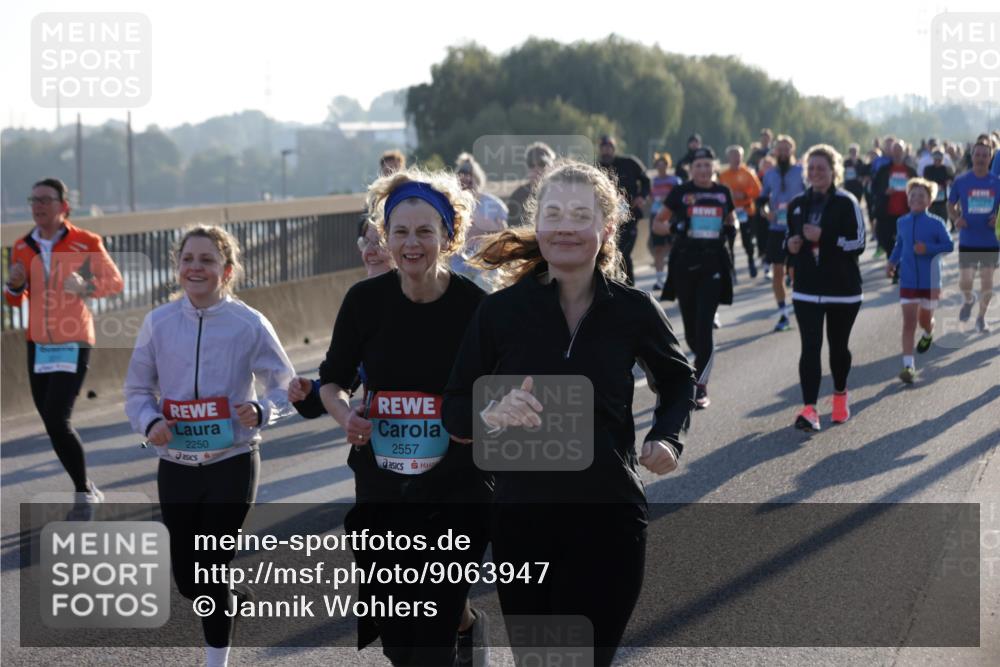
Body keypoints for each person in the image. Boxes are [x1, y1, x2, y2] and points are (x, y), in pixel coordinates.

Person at [443, 159, 695, 667]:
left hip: (608, 520)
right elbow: (455, 409)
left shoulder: (633, 310)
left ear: (606, 230)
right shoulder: (499, 313)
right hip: (522, 524)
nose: (564, 226)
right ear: (538, 225)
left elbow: (677, 380)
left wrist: (667, 437)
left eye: (580, 215)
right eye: (553, 213)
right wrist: (491, 412)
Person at [317, 168, 493, 667]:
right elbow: (332, 381)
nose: (411, 243)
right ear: (385, 236)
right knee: (399, 642)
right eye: (400, 232)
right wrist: (343, 416)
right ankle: (467, 624)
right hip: (383, 488)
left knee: (428, 642)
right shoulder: (364, 302)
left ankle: (455, 624)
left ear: (448, 235)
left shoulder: (475, 308)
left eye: (424, 231)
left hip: (456, 489)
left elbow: (497, 397)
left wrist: (473, 423)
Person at [124, 225, 295, 667]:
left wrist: (262, 412)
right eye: (188, 259)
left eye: (207, 260)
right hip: (176, 463)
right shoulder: (158, 323)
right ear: (177, 267)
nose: (195, 268)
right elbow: (137, 390)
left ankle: (215, 659)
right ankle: (230, 599)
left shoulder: (249, 324)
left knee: (210, 565)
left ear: (227, 270)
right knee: (187, 579)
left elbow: (286, 386)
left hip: (232, 460)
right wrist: (150, 421)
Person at [5, 177, 124, 505]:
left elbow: (115, 282)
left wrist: (85, 286)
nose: (38, 206)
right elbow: (15, 299)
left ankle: (84, 491)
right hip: (38, 342)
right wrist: (14, 285)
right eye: (34, 200)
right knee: (50, 419)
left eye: (46, 200)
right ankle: (84, 483)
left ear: (63, 207)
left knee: (58, 418)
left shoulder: (85, 241)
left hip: (74, 338)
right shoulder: (21, 246)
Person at [785, 144, 865, 432]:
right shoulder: (797, 204)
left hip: (843, 289)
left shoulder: (847, 202)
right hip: (806, 288)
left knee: (838, 348)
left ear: (834, 171)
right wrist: (791, 245)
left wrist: (825, 236)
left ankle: (840, 394)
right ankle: (809, 409)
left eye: (822, 168)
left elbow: (858, 243)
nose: (816, 173)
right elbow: (788, 239)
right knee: (810, 347)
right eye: (812, 168)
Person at [655, 146, 737, 409]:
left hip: (712, 263)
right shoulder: (680, 192)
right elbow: (658, 223)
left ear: (715, 167)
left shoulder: (722, 192)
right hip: (685, 264)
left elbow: (734, 220)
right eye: (698, 165)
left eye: (707, 165)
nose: (703, 170)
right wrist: (673, 226)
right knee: (691, 329)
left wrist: (730, 228)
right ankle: (697, 363)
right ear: (692, 169)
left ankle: (700, 386)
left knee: (704, 326)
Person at [887, 178, 954, 383]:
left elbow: (948, 246)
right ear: (908, 199)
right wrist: (891, 262)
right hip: (907, 280)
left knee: (924, 320)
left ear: (929, 201)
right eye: (912, 195)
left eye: (921, 196)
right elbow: (899, 245)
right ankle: (909, 366)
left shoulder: (936, 223)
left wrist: (928, 249)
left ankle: (929, 331)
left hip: (931, 281)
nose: (916, 198)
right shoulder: (902, 222)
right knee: (909, 323)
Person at [948, 140, 1000, 333]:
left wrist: (998, 219)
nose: (981, 158)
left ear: (990, 158)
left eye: (985, 155)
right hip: (968, 238)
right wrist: (956, 218)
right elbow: (950, 204)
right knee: (965, 282)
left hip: (990, 240)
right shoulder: (962, 181)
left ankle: (981, 318)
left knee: (987, 282)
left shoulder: (997, 183)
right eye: (978, 155)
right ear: (972, 155)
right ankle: (969, 300)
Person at [759, 135, 805, 331]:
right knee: (777, 272)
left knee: (795, 272)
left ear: (792, 151)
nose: (783, 152)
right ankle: (783, 313)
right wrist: (765, 212)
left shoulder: (801, 172)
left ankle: (801, 305)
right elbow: (761, 198)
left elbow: (810, 196)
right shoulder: (770, 174)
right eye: (780, 149)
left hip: (796, 228)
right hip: (776, 228)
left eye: (787, 149)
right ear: (775, 151)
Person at [596, 135, 650, 286]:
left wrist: (641, 196)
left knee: (624, 254)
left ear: (614, 148)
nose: (606, 151)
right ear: (600, 150)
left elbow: (646, 180)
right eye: (603, 148)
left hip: (629, 216)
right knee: (606, 254)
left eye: (609, 147)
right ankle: (611, 286)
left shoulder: (630, 163)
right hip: (605, 219)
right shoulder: (595, 167)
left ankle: (630, 289)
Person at [453, 152, 509, 290]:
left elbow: (504, 234)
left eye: (470, 181)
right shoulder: (452, 204)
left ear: (478, 180)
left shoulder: (493, 204)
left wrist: (482, 229)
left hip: (487, 261)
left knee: (485, 284)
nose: (466, 185)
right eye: (462, 182)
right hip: (459, 263)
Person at [871, 140, 917, 270]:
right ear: (891, 152)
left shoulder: (910, 171)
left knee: (905, 242)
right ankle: (893, 263)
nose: (897, 153)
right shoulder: (884, 170)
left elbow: (919, 188)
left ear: (904, 152)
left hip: (906, 212)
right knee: (886, 241)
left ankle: (898, 270)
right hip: (886, 213)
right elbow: (874, 188)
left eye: (900, 150)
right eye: (895, 150)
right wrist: (884, 191)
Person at [719, 144, 763, 279]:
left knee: (747, 239)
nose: (736, 159)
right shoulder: (723, 175)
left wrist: (744, 195)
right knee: (729, 241)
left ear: (742, 157)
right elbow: (718, 192)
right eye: (733, 156)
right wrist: (730, 196)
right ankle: (731, 269)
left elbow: (758, 191)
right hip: (729, 213)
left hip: (746, 210)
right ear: (728, 158)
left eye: (738, 156)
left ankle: (750, 260)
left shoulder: (748, 173)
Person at [648, 152, 682, 289]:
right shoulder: (653, 181)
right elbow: (650, 197)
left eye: (664, 164)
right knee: (658, 249)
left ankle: (673, 277)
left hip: (671, 216)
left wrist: (666, 200)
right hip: (656, 215)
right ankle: (659, 280)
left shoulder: (675, 180)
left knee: (672, 247)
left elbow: (679, 196)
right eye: (658, 165)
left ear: (668, 165)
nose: (661, 167)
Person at [507, 141, 556, 228]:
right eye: (531, 164)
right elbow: (512, 229)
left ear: (552, 166)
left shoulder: (561, 193)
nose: (536, 169)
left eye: (542, 164)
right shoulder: (517, 196)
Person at [923, 149, 955, 225]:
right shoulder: (928, 169)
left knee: (943, 221)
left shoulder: (947, 169)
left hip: (943, 201)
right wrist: (935, 186)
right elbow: (925, 181)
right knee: (931, 221)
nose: (937, 161)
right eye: (936, 159)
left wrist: (948, 182)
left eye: (939, 159)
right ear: (933, 158)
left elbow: (952, 180)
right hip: (931, 200)